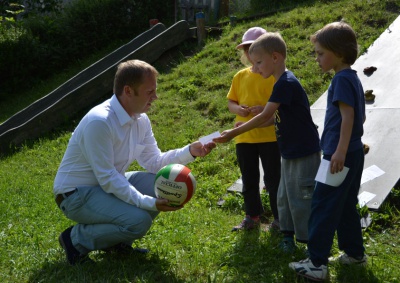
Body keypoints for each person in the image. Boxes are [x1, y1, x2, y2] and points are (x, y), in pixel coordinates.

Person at [54, 59, 216, 265]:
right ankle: (75, 240)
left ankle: (115, 242)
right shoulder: (100, 122)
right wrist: (147, 202)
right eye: (150, 92)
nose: (155, 97)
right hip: (75, 195)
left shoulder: (140, 119)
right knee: (139, 221)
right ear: (128, 91)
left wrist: (190, 151)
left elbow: (154, 161)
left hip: (105, 186)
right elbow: (108, 178)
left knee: (159, 185)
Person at [213, 32, 321, 252]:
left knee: (300, 197)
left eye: (259, 62)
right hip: (290, 150)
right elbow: (273, 118)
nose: (257, 67)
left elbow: (264, 117)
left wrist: (234, 133)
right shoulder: (279, 80)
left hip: (303, 150)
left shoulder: (284, 83)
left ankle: (311, 245)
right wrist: (242, 129)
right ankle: (288, 237)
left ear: (275, 58)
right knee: (284, 195)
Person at [289, 21, 367, 282]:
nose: (317, 58)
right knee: (345, 205)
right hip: (351, 153)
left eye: (321, 53)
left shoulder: (342, 79)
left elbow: (348, 117)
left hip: (339, 155)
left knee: (322, 205)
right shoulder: (349, 78)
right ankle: (355, 254)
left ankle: (317, 263)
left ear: (340, 53)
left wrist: (339, 152)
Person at [227, 27, 281, 232]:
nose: (251, 54)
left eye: (255, 49)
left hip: (269, 136)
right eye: (248, 50)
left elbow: (278, 105)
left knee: (273, 179)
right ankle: (252, 216)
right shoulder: (240, 76)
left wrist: (264, 110)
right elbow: (231, 102)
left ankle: (279, 218)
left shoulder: (274, 75)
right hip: (244, 137)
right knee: (249, 178)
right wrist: (238, 108)